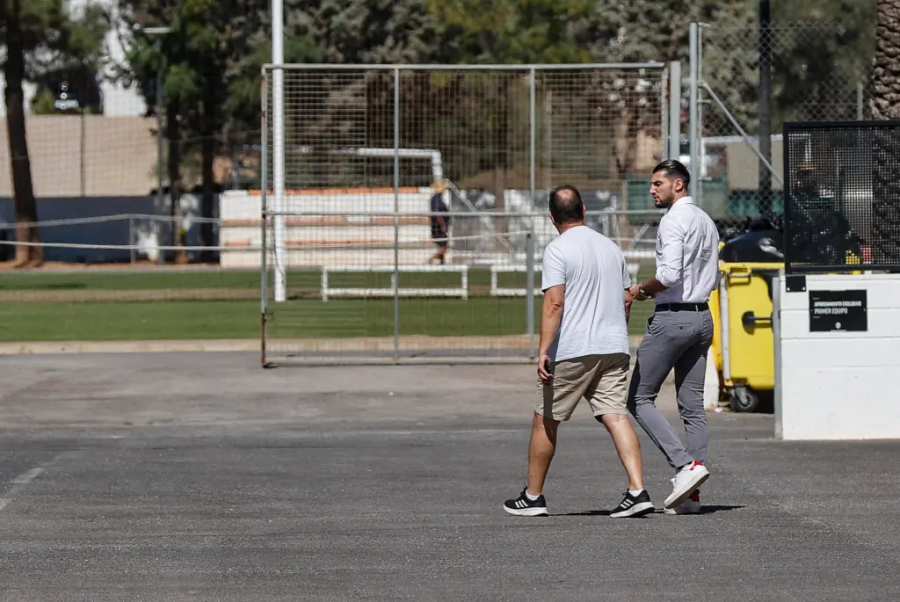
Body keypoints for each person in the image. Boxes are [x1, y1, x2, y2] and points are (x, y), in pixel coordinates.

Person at [504, 185, 654, 519]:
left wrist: (544, 349)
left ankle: (533, 496)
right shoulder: (611, 247)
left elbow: (554, 302)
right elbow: (626, 298)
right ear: (584, 211)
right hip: (614, 346)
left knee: (546, 418)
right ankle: (637, 489)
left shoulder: (557, 250)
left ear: (550, 217)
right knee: (616, 415)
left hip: (574, 349)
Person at [627, 159, 720, 515]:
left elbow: (667, 274)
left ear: (677, 185)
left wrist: (640, 290)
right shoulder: (706, 220)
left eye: (657, 184)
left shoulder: (673, 220)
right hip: (702, 317)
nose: (652, 190)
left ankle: (685, 467)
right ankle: (692, 497)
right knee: (692, 406)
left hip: (674, 318)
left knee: (638, 398)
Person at [428, 180, 450, 265]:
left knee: (442, 245)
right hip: (438, 226)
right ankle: (433, 259)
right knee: (444, 246)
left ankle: (442, 262)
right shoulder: (437, 199)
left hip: (437, 226)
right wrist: (443, 224)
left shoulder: (438, 198)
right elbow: (438, 214)